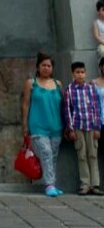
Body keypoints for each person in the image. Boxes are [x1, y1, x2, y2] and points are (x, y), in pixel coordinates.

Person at [22, 52, 65, 197]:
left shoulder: (58, 84)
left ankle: (51, 183)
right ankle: (50, 184)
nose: (46, 68)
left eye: (49, 65)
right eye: (44, 65)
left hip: (56, 126)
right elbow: (25, 104)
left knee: (52, 156)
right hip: (38, 126)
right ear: (38, 67)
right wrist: (24, 125)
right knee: (45, 153)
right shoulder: (31, 83)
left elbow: (63, 106)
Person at [63, 61, 102, 195]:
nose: (80, 75)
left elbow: (96, 109)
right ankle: (85, 184)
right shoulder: (69, 90)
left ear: (85, 73)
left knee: (93, 154)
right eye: (77, 72)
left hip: (91, 126)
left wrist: (97, 127)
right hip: (78, 126)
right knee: (82, 155)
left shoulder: (91, 89)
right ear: (72, 74)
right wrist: (71, 129)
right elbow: (67, 110)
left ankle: (95, 184)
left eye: (82, 72)